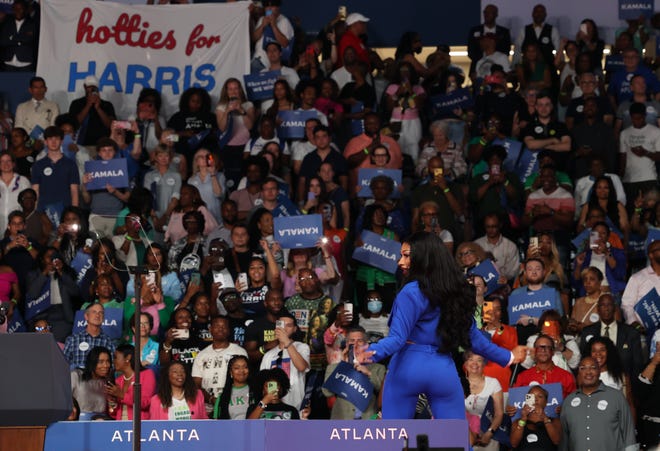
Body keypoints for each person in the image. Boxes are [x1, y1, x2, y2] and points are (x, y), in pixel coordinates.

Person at [357, 232, 527, 419]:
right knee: (455, 439)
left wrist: (370, 352)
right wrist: (508, 356)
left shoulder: (411, 291)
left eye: (406, 256)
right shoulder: (455, 291)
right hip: (441, 369)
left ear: (423, 257)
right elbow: (475, 339)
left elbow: (397, 339)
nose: (400, 262)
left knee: (393, 436)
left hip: (407, 367)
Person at [559, 356, 638, 451]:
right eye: (583, 368)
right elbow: (564, 440)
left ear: (599, 372)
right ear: (578, 373)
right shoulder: (568, 401)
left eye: (593, 368)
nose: (588, 372)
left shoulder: (616, 397)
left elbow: (628, 434)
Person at [322, 326, 385, 419]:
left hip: (369, 420)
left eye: (359, 341)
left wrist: (369, 374)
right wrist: (343, 367)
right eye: (352, 341)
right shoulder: (334, 367)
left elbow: (383, 394)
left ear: (366, 344)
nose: (355, 344)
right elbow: (327, 392)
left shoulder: (378, 368)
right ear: (346, 344)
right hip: (342, 420)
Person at [191, 315, 248, 414]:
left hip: (234, 407)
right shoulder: (201, 355)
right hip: (207, 410)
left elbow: (244, 380)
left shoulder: (239, 352)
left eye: (224, 326)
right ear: (210, 329)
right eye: (217, 326)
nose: (220, 329)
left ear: (229, 330)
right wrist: (211, 399)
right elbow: (196, 384)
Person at [581, 293, 643, 382]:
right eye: (603, 305)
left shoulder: (631, 333)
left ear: (615, 308)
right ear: (598, 309)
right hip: (595, 382)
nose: (606, 308)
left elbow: (637, 365)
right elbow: (584, 361)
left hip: (624, 383)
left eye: (609, 305)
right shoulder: (587, 332)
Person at [259, 311, 310, 413]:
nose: (284, 329)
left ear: (295, 329)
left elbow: (302, 367)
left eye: (289, 325)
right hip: (273, 406)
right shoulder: (269, 355)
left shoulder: (302, 347)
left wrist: (286, 342)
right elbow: (262, 382)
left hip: (296, 404)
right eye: (281, 325)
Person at [30, 126, 80, 212]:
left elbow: (74, 191)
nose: (53, 142)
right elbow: (35, 191)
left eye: (56, 139)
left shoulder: (71, 164)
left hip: (66, 211)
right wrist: (35, 213)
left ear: (62, 141)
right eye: (50, 139)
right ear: (45, 142)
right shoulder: (38, 165)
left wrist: (74, 212)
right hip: (44, 211)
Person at [464, 351, 505, 451]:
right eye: (471, 360)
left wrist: (489, 433)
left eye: (479, 360)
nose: (474, 363)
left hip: (487, 433)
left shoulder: (493, 383)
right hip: (463, 432)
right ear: (465, 364)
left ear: (484, 364)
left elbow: (499, 413)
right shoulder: (457, 382)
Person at [106, 344, 156, 420]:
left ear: (128, 358)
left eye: (115, 358)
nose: (113, 361)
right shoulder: (118, 380)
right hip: (120, 425)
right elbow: (113, 414)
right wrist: (112, 403)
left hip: (140, 425)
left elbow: (145, 403)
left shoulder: (147, 374)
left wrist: (122, 395)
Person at [621, 239, 660, 329]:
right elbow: (627, 305)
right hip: (642, 332)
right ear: (651, 255)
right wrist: (635, 324)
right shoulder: (637, 278)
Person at [63, 303, 116, 370]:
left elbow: (113, 366)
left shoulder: (108, 341)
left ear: (103, 318)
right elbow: (63, 363)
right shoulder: (73, 339)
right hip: (77, 378)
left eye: (101, 313)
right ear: (86, 316)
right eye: (94, 312)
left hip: (100, 379)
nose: (97, 315)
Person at [67, 75, 116, 147]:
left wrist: (98, 108)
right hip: (81, 145)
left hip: (103, 146)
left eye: (94, 87)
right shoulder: (76, 103)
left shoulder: (107, 105)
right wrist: (88, 105)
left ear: (98, 88)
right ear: (84, 87)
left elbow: (110, 125)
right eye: (89, 87)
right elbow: (74, 124)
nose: (91, 89)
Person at [509, 385, 561, 450]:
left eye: (540, 396)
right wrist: (523, 419)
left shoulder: (555, 421)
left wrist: (545, 418)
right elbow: (513, 444)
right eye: (532, 396)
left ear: (546, 402)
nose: (536, 400)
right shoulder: (518, 422)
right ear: (527, 400)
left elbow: (557, 441)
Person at [70, 346, 112, 421]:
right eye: (101, 362)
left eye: (108, 361)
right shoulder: (76, 375)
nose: (105, 365)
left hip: (101, 423)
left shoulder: (107, 382)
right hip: (79, 423)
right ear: (92, 363)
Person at [214, 355, 258, 419]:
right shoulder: (222, 397)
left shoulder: (257, 391)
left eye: (245, 367)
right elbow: (216, 423)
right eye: (237, 368)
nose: (241, 371)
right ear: (231, 372)